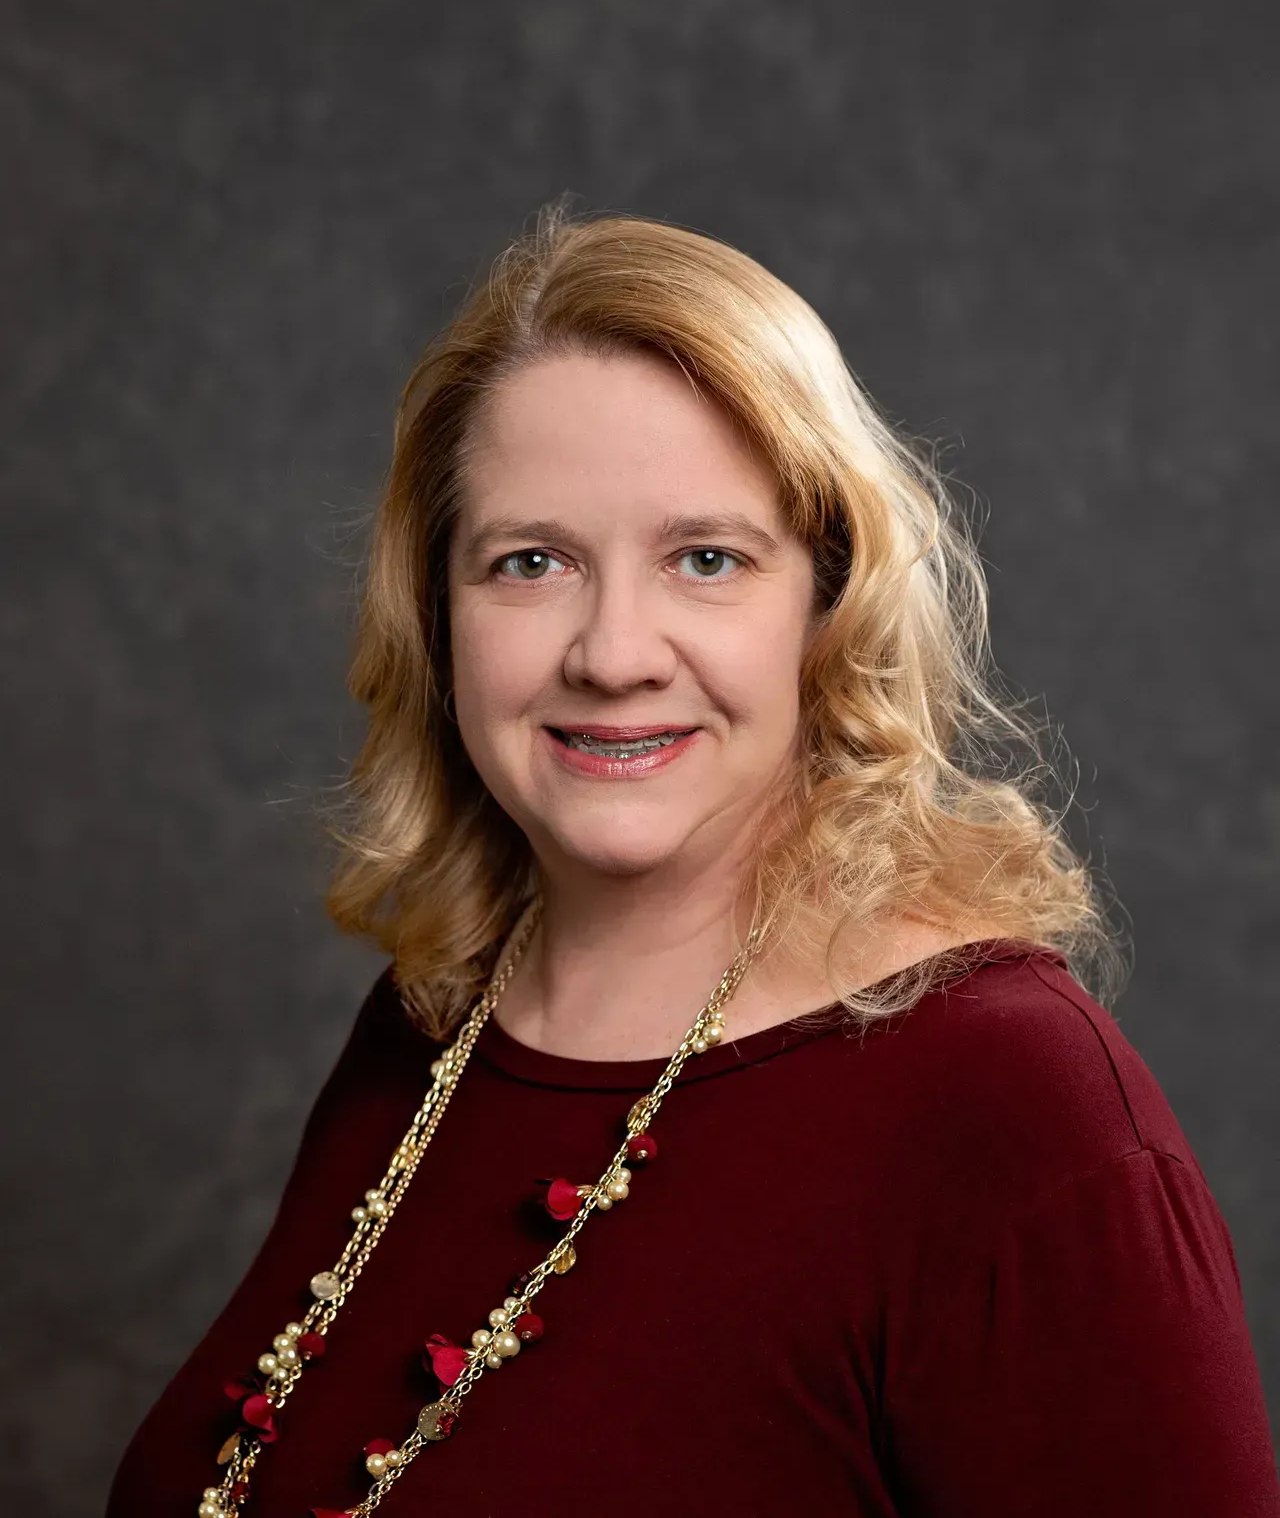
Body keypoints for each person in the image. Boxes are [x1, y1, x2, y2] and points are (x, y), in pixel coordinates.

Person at [107, 202, 1280, 1518]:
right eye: (531, 561)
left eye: (708, 559)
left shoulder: (1008, 1101)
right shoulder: (433, 1023)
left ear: (826, 609)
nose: (613, 653)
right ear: (436, 614)